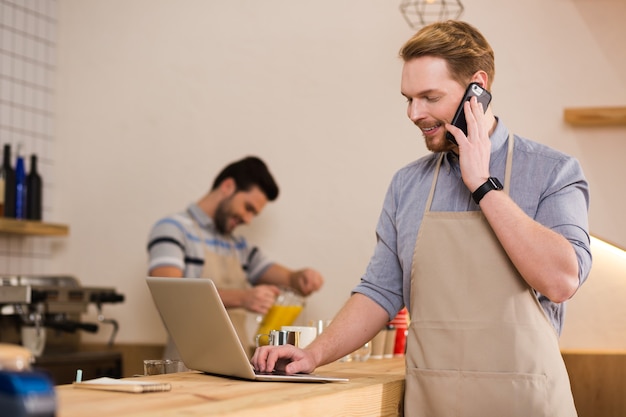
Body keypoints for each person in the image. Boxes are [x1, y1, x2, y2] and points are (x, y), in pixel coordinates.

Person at [251, 21, 591, 416]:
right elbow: (379, 291)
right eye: (408, 99)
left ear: (476, 87)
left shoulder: (553, 172)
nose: (415, 113)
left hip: (526, 403)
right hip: (434, 403)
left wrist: (482, 184)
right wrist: (313, 355)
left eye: (430, 97)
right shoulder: (407, 185)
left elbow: (562, 280)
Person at [147, 156, 324, 358]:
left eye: (253, 215)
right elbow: (170, 296)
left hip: (236, 371)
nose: (248, 220)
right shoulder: (172, 229)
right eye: (248, 208)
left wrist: (300, 277)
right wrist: (243, 297)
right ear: (228, 186)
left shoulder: (239, 247)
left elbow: (290, 280)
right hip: (185, 369)